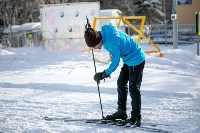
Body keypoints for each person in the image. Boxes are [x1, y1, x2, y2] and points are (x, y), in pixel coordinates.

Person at [84, 24, 146, 126]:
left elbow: (115, 63)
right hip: (128, 59)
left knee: (133, 88)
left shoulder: (111, 43)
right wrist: (90, 31)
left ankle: (136, 117)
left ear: (98, 41)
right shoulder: (105, 30)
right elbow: (98, 35)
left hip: (136, 59)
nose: (95, 49)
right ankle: (122, 112)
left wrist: (104, 74)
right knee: (121, 83)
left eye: (94, 46)